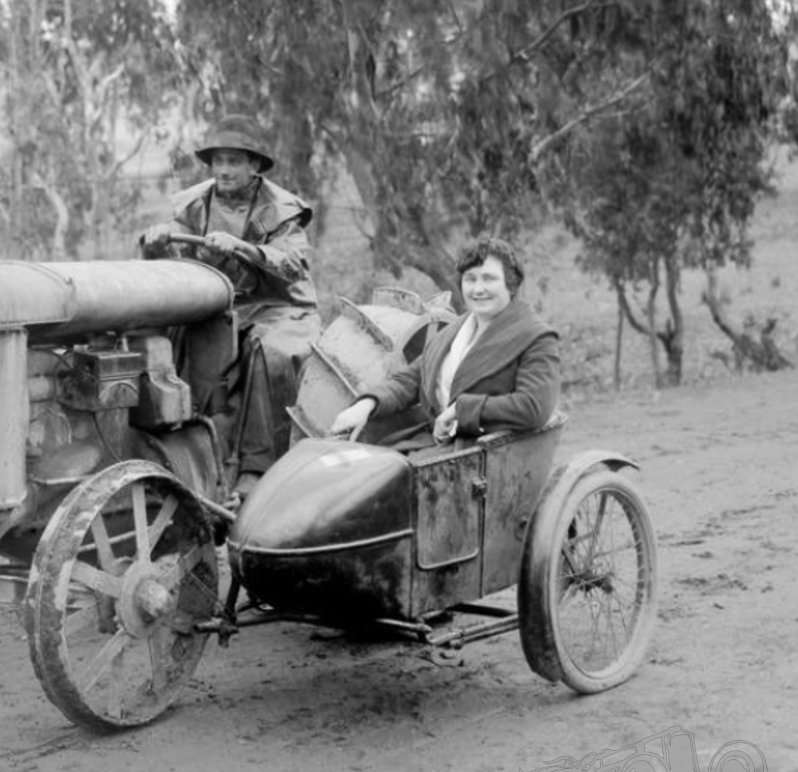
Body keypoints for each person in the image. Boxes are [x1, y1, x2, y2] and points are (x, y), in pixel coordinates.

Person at [141, 114, 322, 499]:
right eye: (219, 161)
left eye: (234, 161)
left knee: (267, 351)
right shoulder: (194, 204)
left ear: (254, 166)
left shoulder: (282, 209)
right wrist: (157, 246)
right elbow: (178, 258)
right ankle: (188, 455)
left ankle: (258, 466)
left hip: (278, 305)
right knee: (172, 343)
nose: (224, 170)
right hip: (217, 303)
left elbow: (291, 264)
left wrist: (243, 247)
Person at [329, 236, 560, 443]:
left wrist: (463, 409)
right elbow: (411, 380)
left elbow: (534, 406)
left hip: (482, 454)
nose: (478, 289)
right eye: (470, 279)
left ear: (511, 285)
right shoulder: (455, 330)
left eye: (489, 279)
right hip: (434, 443)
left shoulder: (535, 337)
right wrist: (366, 404)